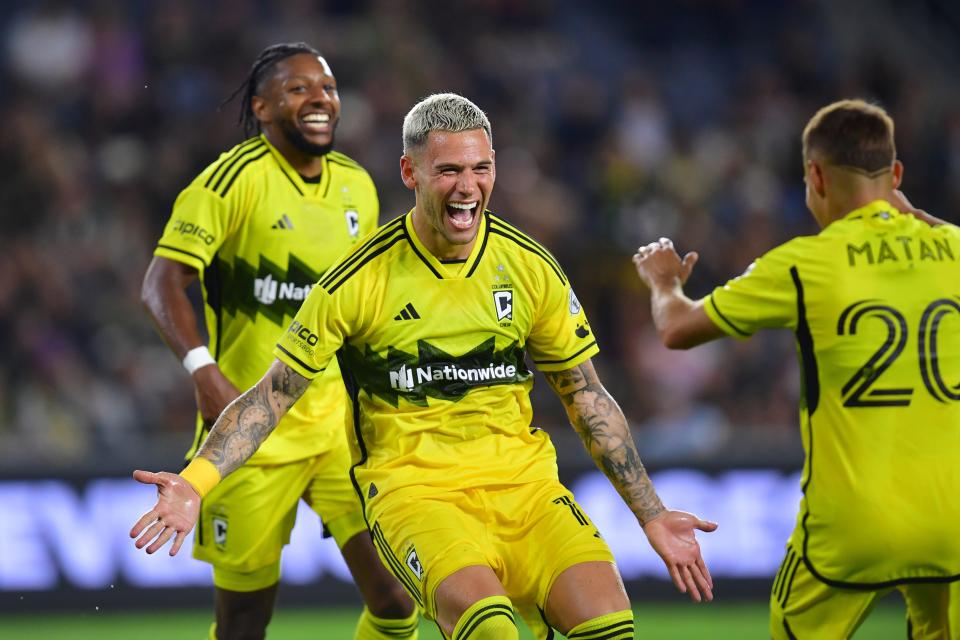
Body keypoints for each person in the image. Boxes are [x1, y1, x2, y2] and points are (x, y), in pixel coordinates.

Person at [132, 92, 717, 640]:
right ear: (411, 173)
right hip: (416, 494)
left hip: (528, 490)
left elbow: (586, 396)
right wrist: (194, 482)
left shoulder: (529, 266)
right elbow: (270, 398)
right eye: (449, 171)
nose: (468, 188)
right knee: (489, 627)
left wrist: (653, 514)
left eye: (480, 168)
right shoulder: (358, 281)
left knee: (611, 629)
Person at [632, 99, 960, 639]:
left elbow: (677, 329)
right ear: (895, 174)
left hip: (853, 524)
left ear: (815, 176)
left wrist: (664, 281)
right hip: (951, 519)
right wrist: (923, 220)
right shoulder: (950, 248)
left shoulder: (805, 263)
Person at [138, 42, 418, 640]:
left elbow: (362, 311)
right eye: (299, 89)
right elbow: (161, 282)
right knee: (243, 623)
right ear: (262, 108)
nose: (319, 99)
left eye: (328, 88)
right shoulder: (230, 181)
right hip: (251, 433)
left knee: (398, 598)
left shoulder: (357, 187)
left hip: (341, 430)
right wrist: (204, 372)